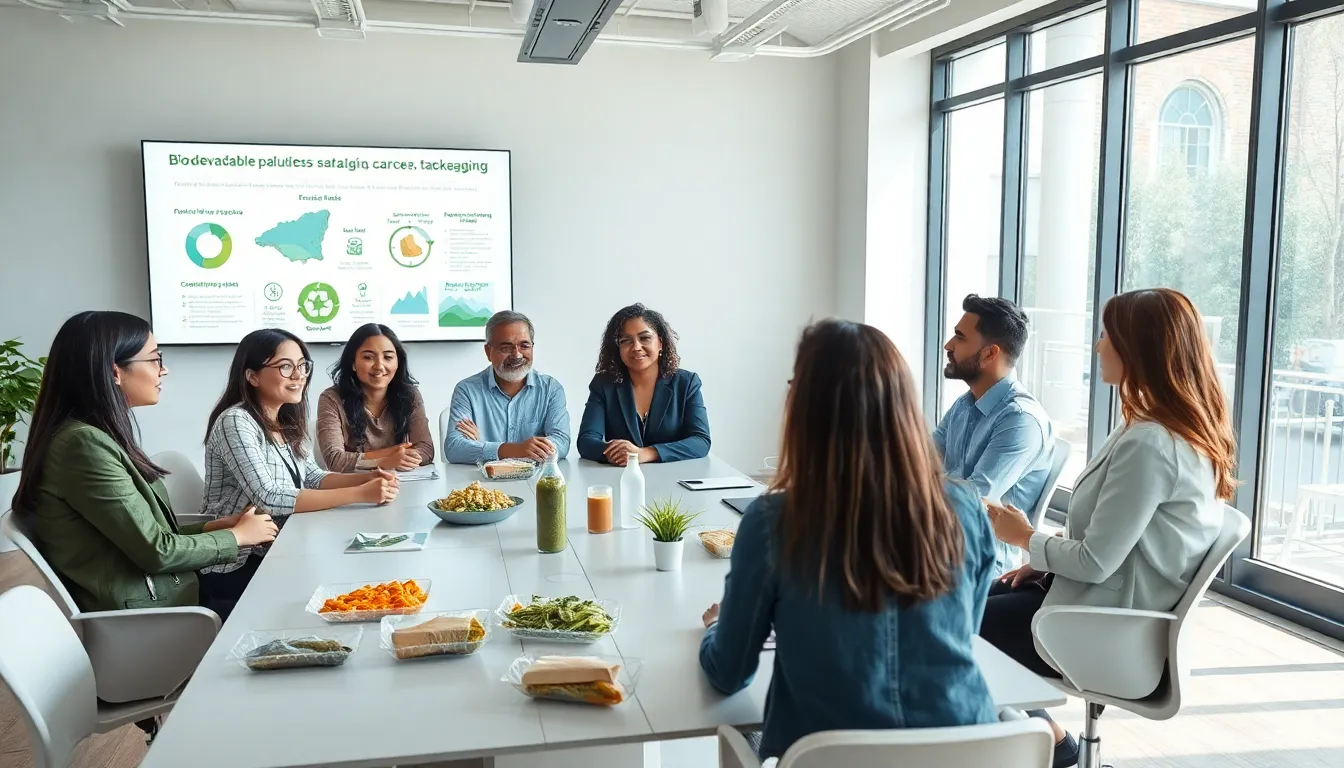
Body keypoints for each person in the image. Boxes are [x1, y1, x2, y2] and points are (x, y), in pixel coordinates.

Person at [698, 319, 998, 760]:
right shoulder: (964, 508)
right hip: (965, 751)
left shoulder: (773, 521)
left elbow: (729, 671)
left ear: (807, 405)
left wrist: (719, 627)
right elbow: (962, 632)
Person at [979, 288, 1236, 768]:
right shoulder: (1157, 429)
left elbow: (1097, 561)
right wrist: (1042, 563)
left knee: (950, 631)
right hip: (1096, 603)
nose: (1098, 346)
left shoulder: (1151, 444)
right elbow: (1119, 544)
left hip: (1102, 623)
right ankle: (1055, 747)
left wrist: (1023, 539)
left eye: (1107, 335)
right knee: (955, 610)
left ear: (1140, 348)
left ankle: (1048, 749)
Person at [12, 311, 278, 614]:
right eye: (155, 359)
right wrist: (237, 537)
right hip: (154, 616)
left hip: (173, 597)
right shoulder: (82, 445)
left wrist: (215, 527)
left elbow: (144, 536)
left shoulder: (96, 436)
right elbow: (157, 552)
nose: (163, 371)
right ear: (115, 371)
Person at [199, 328, 399, 618]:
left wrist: (368, 478)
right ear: (252, 376)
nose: (299, 375)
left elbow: (314, 478)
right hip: (236, 565)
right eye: (285, 367)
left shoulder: (285, 419)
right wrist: (358, 494)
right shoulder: (236, 421)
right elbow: (268, 497)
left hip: (280, 549)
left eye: (303, 365)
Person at [935, 294, 1055, 575]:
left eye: (959, 338)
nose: (948, 345)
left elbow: (970, 502)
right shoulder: (966, 403)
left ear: (990, 353)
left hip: (976, 562)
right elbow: (921, 456)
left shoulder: (1019, 420)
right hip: (941, 542)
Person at [577, 304, 710, 466]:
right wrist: (617, 452)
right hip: (620, 479)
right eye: (626, 341)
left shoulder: (686, 383)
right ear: (617, 348)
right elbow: (586, 442)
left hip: (674, 480)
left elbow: (701, 441)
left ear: (660, 343)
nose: (636, 347)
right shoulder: (604, 384)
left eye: (645, 338)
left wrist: (646, 453)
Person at [444, 310, 571, 464]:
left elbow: (562, 442)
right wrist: (516, 450)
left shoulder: (551, 389)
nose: (517, 355)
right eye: (506, 347)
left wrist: (481, 447)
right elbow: (454, 448)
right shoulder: (467, 390)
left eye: (524, 345)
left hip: (535, 482)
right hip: (483, 484)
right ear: (488, 352)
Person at [317, 324, 435, 472]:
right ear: (353, 363)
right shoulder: (331, 399)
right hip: (351, 488)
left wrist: (404, 458)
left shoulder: (410, 395)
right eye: (368, 357)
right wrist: (388, 458)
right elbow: (335, 460)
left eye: (388, 357)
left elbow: (426, 448)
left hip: (404, 484)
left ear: (398, 362)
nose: (379, 366)